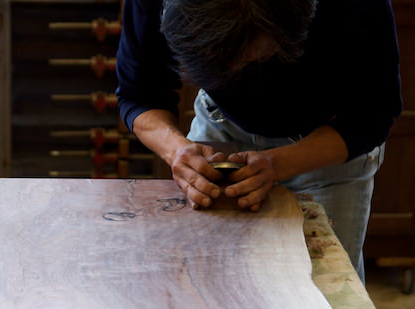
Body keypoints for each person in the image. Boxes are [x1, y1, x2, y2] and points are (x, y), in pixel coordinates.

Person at [116, 0, 402, 282]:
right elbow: (140, 93)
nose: (245, 73)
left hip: (326, 141)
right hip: (220, 123)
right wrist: (176, 149)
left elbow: (372, 114)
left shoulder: (357, 6)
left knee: (327, 293)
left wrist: (279, 163)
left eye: (258, 57)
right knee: (203, 278)